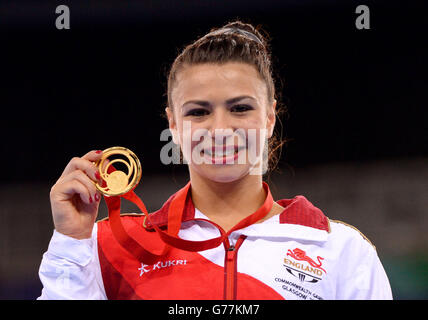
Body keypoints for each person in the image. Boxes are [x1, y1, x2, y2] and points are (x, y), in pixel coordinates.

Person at [38, 20, 392, 300]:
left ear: (269, 117)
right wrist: (71, 241)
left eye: (240, 108)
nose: (220, 129)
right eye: (199, 112)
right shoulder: (113, 246)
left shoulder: (340, 252)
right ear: (173, 124)